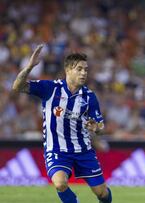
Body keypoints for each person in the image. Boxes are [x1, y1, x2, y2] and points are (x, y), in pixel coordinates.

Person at [12, 45, 112, 203]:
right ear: (68, 70)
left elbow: (100, 127)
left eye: (86, 69)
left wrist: (97, 128)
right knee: (60, 183)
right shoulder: (50, 88)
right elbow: (17, 86)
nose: (84, 73)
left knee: (102, 193)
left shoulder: (89, 97)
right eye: (79, 69)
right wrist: (29, 67)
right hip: (57, 149)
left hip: (83, 150)